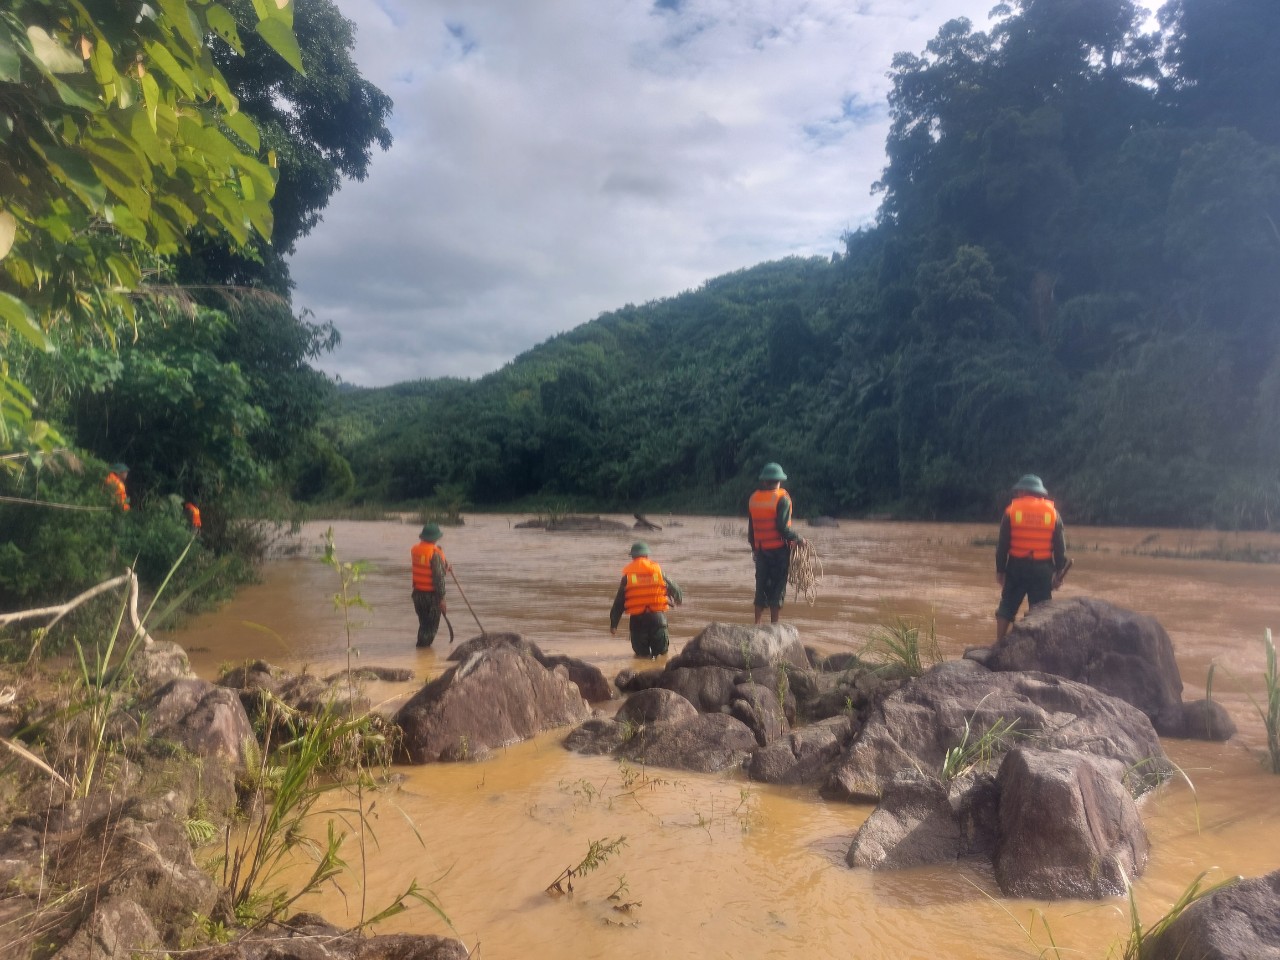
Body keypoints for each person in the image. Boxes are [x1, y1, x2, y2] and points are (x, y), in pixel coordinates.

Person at [995, 474, 1069, 642]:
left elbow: (1002, 546)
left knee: (1007, 605)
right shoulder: (1052, 513)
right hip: (1042, 569)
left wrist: (1000, 570)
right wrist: (1059, 571)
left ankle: (998, 643)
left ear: (1022, 491)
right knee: (1041, 608)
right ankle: (1039, 644)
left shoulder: (1011, 511)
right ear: (1040, 493)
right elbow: (1060, 547)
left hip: (1016, 566)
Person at [747, 462, 804, 624]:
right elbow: (782, 528)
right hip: (779, 551)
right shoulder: (782, 499)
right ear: (780, 481)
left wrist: (755, 549)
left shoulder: (753, 498)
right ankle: (774, 625)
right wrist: (798, 539)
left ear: (764, 481)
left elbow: (751, 530)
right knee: (778, 588)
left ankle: (756, 624)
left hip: (761, 550)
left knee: (761, 586)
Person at [609, 541, 683, 658]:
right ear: (647, 556)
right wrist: (678, 600)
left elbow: (619, 603)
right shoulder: (658, 573)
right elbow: (677, 590)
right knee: (661, 657)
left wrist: (614, 625)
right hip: (658, 620)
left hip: (637, 623)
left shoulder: (627, 578)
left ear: (632, 557)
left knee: (641, 657)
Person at [410, 523, 448, 648]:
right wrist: (442, 599)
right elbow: (438, 578)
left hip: (418, 594)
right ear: (436, 538)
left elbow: (428, 566)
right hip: (431, 597)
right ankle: (422, 653)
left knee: (424, 625)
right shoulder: (435, 553)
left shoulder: (416, 549)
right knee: (430, 629)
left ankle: (421, 653)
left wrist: (444, 565)